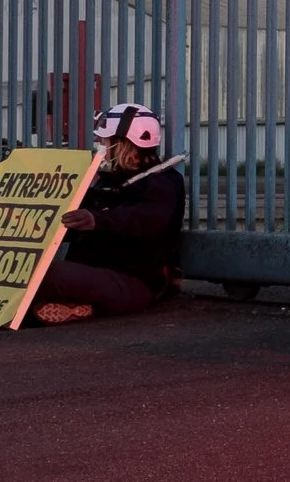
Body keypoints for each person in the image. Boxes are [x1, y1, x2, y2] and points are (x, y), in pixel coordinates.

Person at [30, 103, 187, 326]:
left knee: (49, 275)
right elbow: (69, 223)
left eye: (105, 139)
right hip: (96, 275)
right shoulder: (107, 180)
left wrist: (98, 220)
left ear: (123, 143)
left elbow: (147, 221)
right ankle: (76, 308)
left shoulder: (161, 183)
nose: (100, 144)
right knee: (24, 271)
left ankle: (79, 306)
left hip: (133, 282)